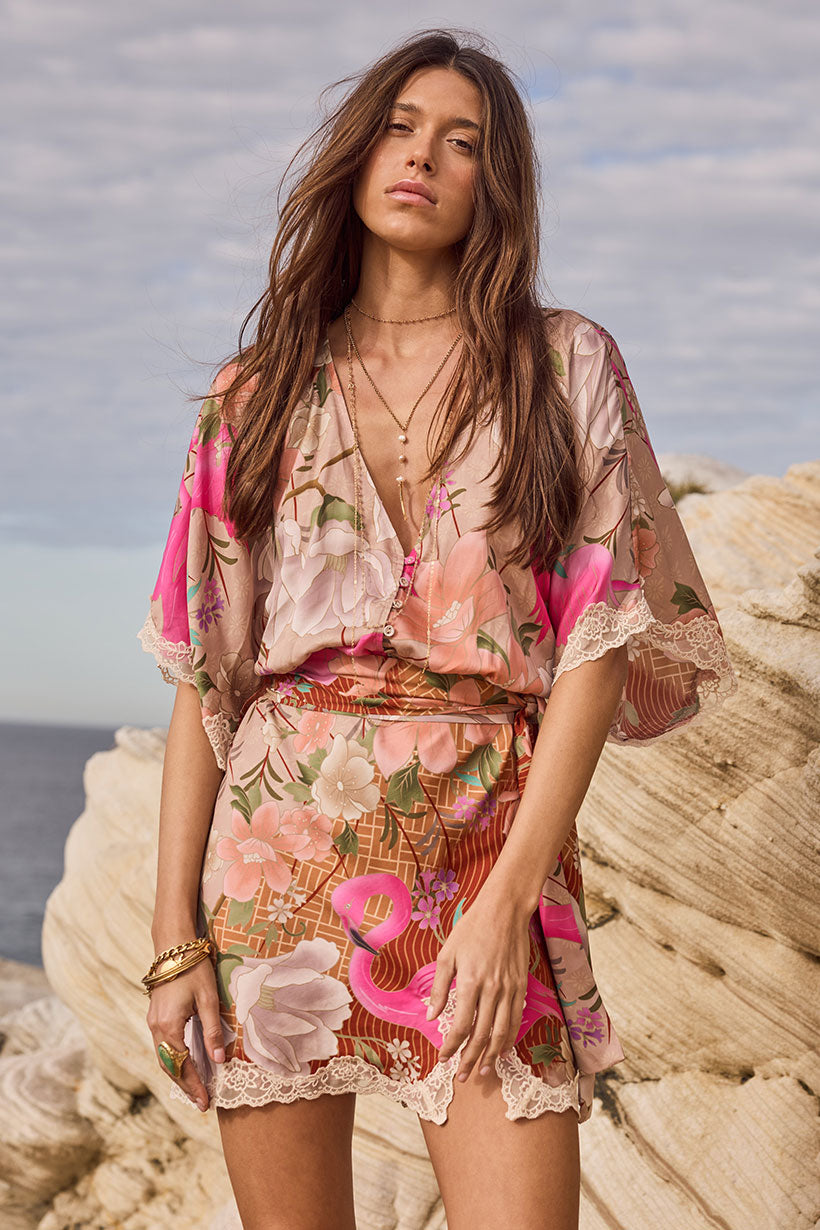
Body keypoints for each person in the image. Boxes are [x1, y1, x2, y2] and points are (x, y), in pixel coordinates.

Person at [137, 28, 738, 1230]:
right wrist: (172, 945)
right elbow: (210, 681)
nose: (423, 157)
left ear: (493, 185)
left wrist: (512, 896)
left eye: (462, 143)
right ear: (356, 159)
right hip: (276, 867)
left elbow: (597, 640)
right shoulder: (254, 393)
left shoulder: (562, 365)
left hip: (483, 855)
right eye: (401, 128)